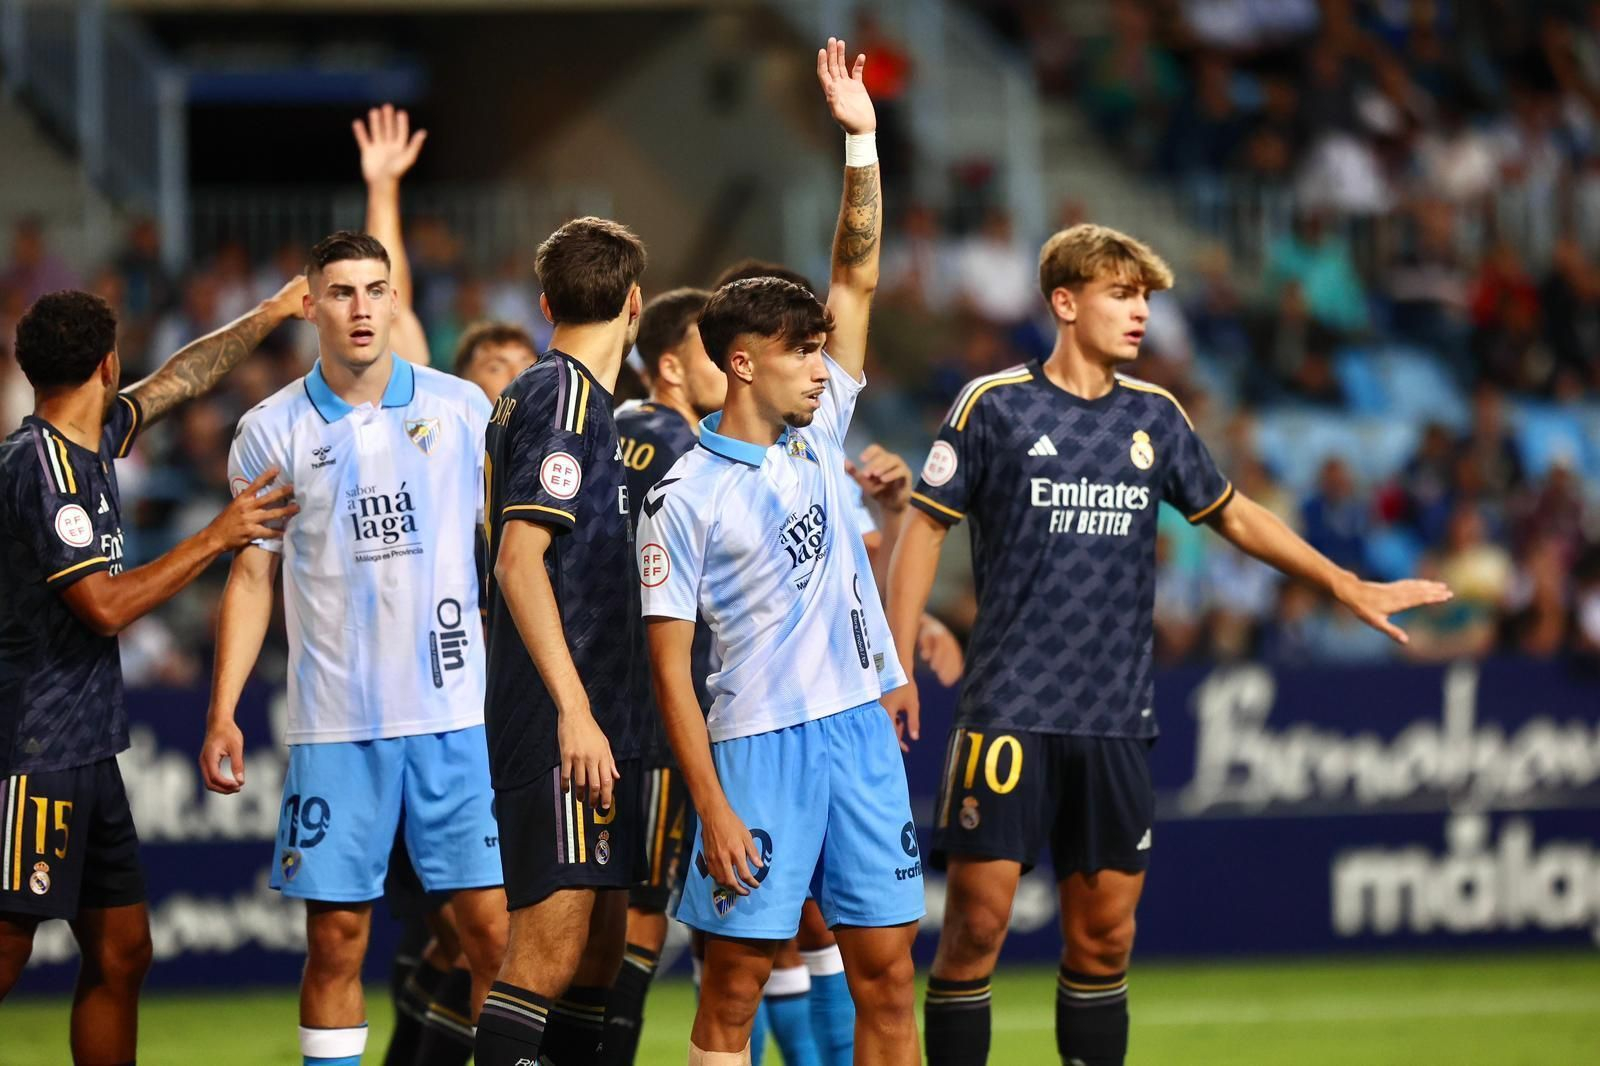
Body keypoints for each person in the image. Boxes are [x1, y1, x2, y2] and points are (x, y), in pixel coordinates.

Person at [883, 222, 1454, 1066]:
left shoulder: (1156, 415)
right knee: (974, 927)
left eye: (1145, 296)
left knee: (1106, 940)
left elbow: (1233, 511)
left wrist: (1343, 581)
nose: (1141, 311)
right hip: (1010, 710)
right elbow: (925, 532)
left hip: (1115, 715)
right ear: (1065, 303)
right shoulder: (994, 404)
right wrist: (895, 666)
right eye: (1122, 293)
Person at [638, 39, 922, 1066]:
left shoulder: (818, 436)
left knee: (889, 971)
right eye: (801, 351)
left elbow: (855, 270)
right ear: (742, 360)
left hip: (854, 735)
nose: (822, 364)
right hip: (755, 748)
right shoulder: (683, 494)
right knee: (731, 991)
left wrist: (861, 143)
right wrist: (709, 800)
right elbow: (670, 662)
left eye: (820, 348)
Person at [202, 232, 507, 1066]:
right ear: (310, 306)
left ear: (397, 301)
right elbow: (254, 579)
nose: (362, 308)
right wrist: (223, 709)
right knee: (337, 938)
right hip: (336, 727)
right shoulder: (269, 432)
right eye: (341, 292)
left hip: (456, 717)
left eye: (376, 290)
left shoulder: (463, 409)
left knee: (492, 936)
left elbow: (515, 554)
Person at [0, 280, 306, 1063]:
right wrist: (217, 536)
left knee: (123, 951)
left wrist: (271, 313)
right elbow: (101, 607)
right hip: (32, 751)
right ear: (107, 363)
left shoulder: (89, 439)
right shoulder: (41, 469)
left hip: (86, 747)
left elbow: (183, 377)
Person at [473, 215, 649, 1066]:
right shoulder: (567, 396)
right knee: (542, 957)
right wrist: (574, 711)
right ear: (637, 303)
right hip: (559, 721)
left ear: (546, 301)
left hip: (587, 715)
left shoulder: (535, 396)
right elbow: (516, 558)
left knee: (598, 955)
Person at [600, 286, 725, 1066]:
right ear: (672, 366)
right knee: (644, 915)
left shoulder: (603, 429)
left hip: (595, 697)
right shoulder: (692, 450)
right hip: (658, 708)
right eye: (717, 348)